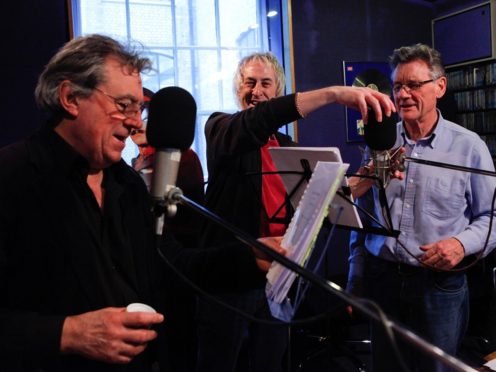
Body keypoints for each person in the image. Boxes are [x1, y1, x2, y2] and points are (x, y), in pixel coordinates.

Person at [0, 34, 284, 372]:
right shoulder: (12, 178)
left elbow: (172, 266)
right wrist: (67, 333)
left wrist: (249, 258)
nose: (136, 122)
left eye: (139, 108)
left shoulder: (126, 184)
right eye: (124, 106)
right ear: (70, 98)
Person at [196, 52, 396, 372]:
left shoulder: (286, 144)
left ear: (278, 90)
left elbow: (321, 202)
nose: (257, 91)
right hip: (230, 280)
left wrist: (370, 175)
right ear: (238, 88)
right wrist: (333, 94)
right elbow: (256, 120)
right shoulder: (221, 127)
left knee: (271, 362)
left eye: (265, 83)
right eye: (249, 82)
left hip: (277, 281)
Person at [347, 43, 496, 372]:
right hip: (382, 280)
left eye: (413, 85)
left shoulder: (469, 147)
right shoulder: (381, 141)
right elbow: (363, 215)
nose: (403, 95)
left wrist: (460, 244)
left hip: (438, 286)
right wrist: (355, 276)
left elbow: (493, 218)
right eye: (398, 86)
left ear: (439, 86)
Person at [130, 87, 205, 372]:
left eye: (145, 114)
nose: (137, 122)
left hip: (174, 276)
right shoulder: (132, 164)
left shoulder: (182, 160)